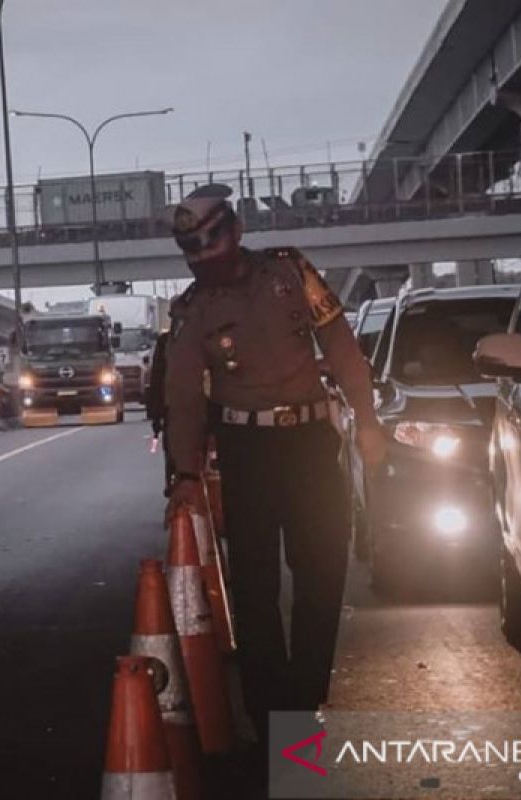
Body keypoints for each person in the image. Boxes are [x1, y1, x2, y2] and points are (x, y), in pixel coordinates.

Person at [162, 184, 388, 729]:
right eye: (194, 255)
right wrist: (186, 475)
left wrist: (368, 422)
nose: (204, 263)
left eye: (211, 248)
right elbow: (184, 397)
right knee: (256, 585)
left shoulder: (291, 273)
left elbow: (340, 345)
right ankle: (270, 714)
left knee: (323, 569)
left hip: (309, 444)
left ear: (236, 232)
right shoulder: (193, 310)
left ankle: (304, 694)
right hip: (246, 450)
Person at [146, 330, 173, 495]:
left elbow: (156, 380)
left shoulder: (168, 341)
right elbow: (156, 381)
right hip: (177, 408)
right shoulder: (166, 341)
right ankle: (173, 480)